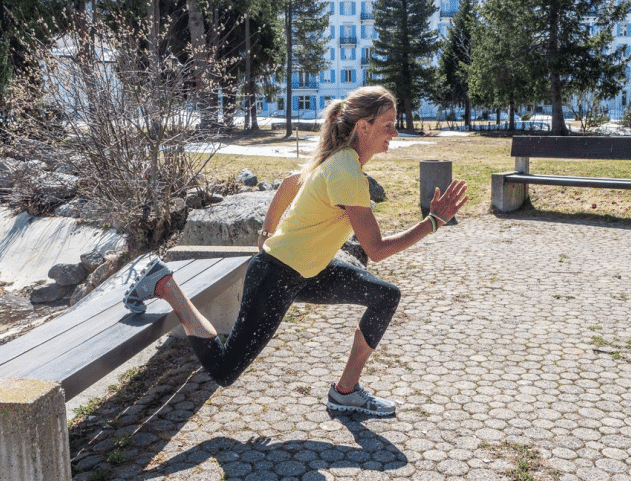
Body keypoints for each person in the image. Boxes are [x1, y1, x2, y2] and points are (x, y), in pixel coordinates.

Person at [123, 85, 468, 416]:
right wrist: (433, 222)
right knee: (225, 370)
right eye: (388, 125)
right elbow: (375, 250)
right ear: (364, 127)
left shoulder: (339, 161)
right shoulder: (346, 172)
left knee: (385, 296)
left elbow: (289, 184)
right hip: (276, 276)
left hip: (306, 271)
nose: (394, 132)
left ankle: (345, 391)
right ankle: (165, 284)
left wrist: (266, 232)